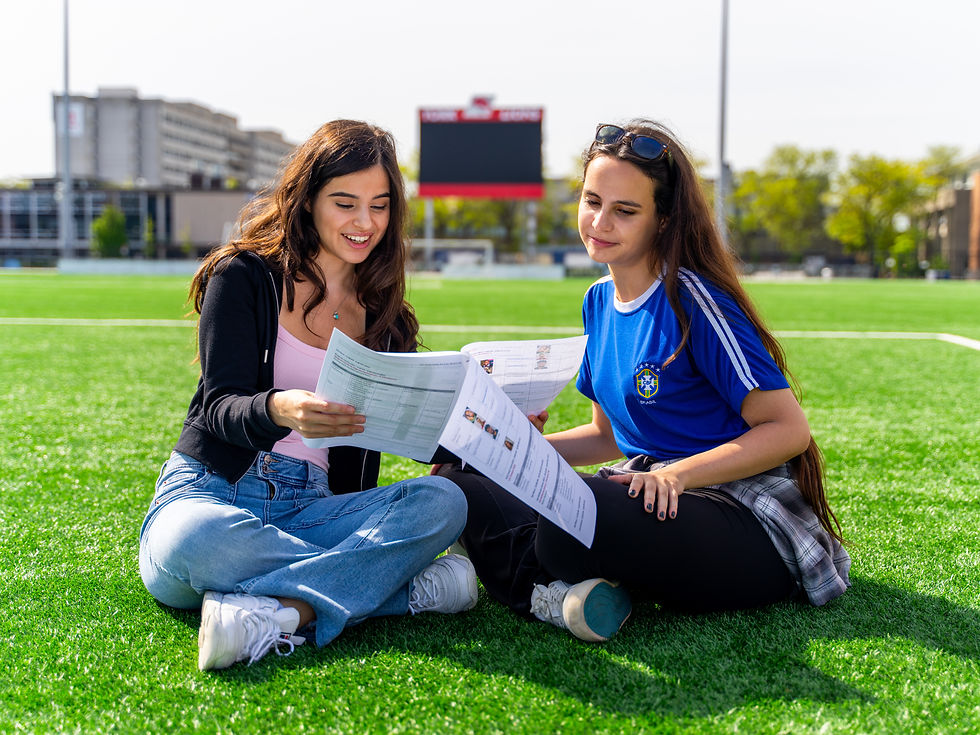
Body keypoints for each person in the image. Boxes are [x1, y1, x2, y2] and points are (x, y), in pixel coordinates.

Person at [437, 120, 850, 642]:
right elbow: (607, 437)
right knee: (460, 481)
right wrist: (510, 450)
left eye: (625, 211)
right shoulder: (596, 301)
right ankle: (559, 597)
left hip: (741, 512)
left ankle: (545, 579)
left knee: (576, 519)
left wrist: (677, 476)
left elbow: (788, 431)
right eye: (592, 202)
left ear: (663, 219)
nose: (600, 222)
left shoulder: (693, 301)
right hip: (645, 492)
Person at [139, 120, 477, 671]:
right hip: (215, 494)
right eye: (345, 203)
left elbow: (409, 427)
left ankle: (280, 616)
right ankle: (401, 591)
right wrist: (280, 408)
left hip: (314, 506)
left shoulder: (385, 317)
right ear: (308, 200)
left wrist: (483, 431)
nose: (364, 223)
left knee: (443, 504)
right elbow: (220, 407)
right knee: (191, 541)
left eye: (380, 205)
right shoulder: (244, 274)